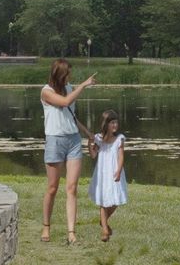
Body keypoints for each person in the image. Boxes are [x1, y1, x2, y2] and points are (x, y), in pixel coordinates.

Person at [40, 59, 95, 243]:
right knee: (52, 188)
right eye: (67, 74)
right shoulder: (46, 91)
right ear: (59, 75)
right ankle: (46, 227)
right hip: (55, 141)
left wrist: (87, 133)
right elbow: (64, 102)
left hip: (73, 141)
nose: (69, 77)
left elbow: (72, 117)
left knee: (72, 188)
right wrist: (84, 85)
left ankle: (71, 232)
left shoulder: (69, 88)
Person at [87, 108, 129, 242]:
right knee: (103, 200)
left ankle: (103, 220)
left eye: (116, 122)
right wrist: (90, 142)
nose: (115, 125)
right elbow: (93, 155)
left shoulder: (119, 139)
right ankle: (105, 230)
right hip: (103, 173)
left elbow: (121, 156)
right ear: (106, 124)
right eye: (112, 123)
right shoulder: (99, 139)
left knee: (116, 200)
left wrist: (119, 170)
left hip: (115, 171)